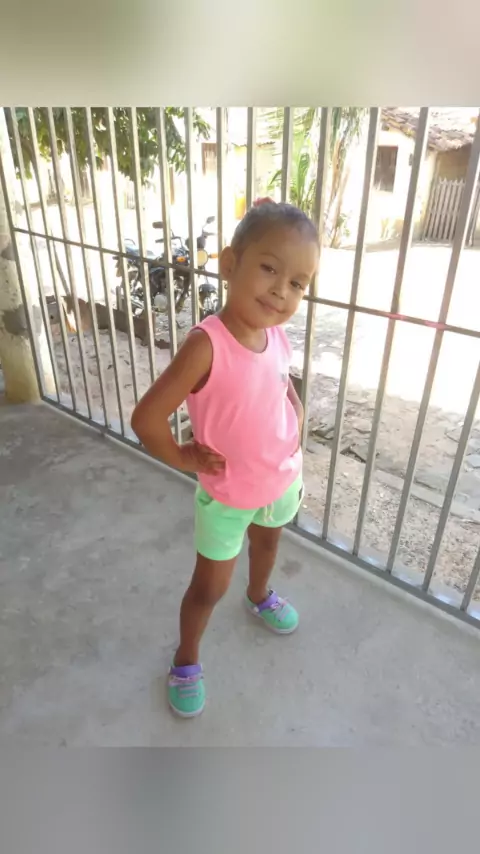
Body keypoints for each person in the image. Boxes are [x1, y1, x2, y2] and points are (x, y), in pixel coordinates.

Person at [131, 199, 320, 717]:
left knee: (268, 544)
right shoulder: (206, 345)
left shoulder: (275, 333)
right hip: (228, 495)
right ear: (230, 263)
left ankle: (259, 595)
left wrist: (295, 412)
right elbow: (146, 419)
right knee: (209, 587)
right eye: (269, 269)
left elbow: (280, 380)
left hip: (280, 480)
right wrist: (182, 455)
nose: (281, 291)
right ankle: (186, 657)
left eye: (298, 283)